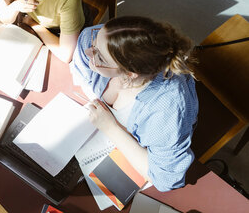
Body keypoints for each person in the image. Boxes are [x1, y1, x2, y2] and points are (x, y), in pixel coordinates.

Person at [70, 16, 199, 192]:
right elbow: (79, 69)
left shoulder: (166, 109)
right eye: (95, 43)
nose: (88, 52)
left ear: (130, 74)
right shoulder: (101, 38)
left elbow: (165, 180)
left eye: (99, 57)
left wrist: (111, 128)